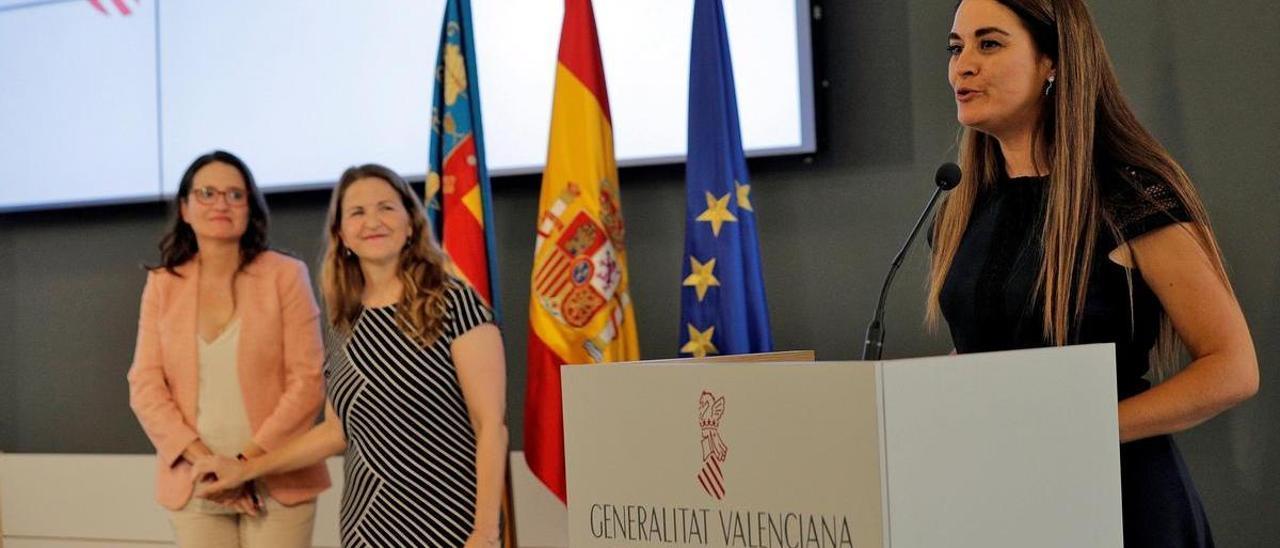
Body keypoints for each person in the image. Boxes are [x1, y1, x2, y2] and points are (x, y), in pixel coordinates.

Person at [931, 1, 1259, 545]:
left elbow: (1234, 369)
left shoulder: (1128, 196)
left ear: (1052, 62)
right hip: (1006, 504)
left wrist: (1082, 432)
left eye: (989, 44)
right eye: (956, 46)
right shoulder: (961, 206)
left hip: (1124, 503)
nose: (962, 65)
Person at [191, 164, 508, 547]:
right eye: (357, 212)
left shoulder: (456, 302)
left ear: (411, 224)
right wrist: (246, 469)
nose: (373, 221)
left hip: (451, 524)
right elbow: (337, 430)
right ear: (342, 235)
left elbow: (490, 425)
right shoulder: (345, 322)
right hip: (367, 525)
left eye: (386, 208)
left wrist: (486, 533)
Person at [127, 150, 330, 547]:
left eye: (235, 195)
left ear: (250, 209)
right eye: (207, 193)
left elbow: (307, 382)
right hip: (196, 479)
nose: (222, 203)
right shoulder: (163, 284)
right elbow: (145, 384)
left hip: (278, 478)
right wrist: (209, 465)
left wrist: (243, 467)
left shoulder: (287, 276)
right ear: (185, 208)